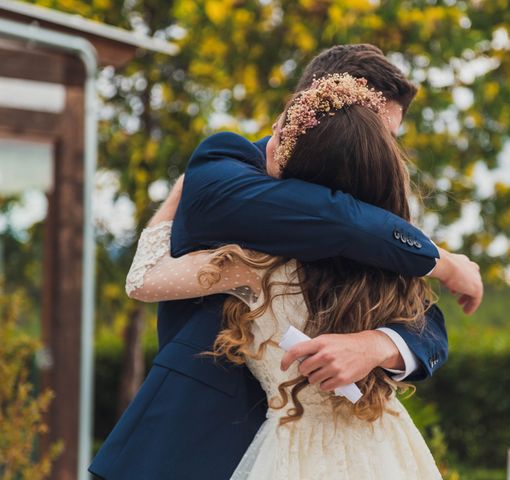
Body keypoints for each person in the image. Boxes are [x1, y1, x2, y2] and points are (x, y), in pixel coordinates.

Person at [89, 44, 482, 480]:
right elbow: (340, 218)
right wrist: (441, 261)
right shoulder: (225, 167)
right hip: (196, 439)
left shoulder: (386, 240)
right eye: (376, 130)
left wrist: (374, 345)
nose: (380, 149)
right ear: (315, 104)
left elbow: (426, 323)